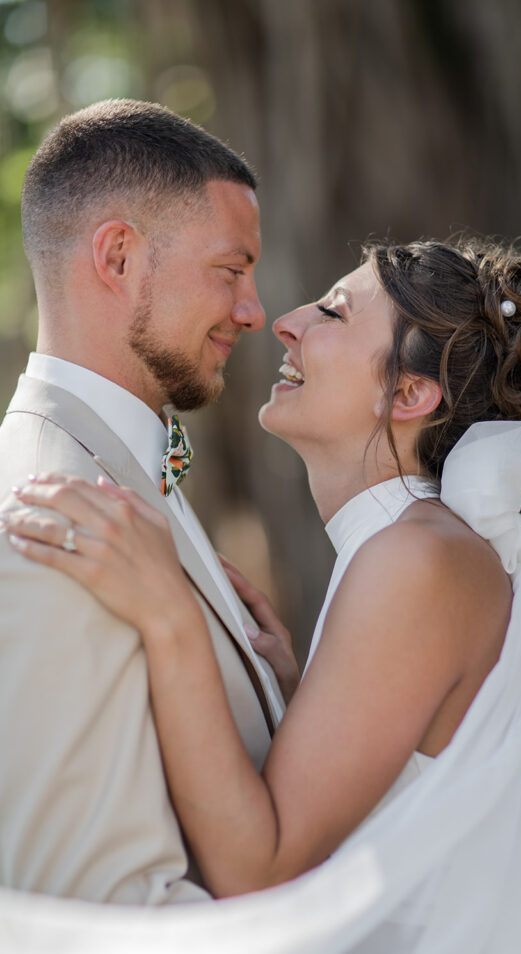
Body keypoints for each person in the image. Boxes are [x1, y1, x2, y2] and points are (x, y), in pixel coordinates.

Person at [4, 238, 521, 954]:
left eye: (333, 311)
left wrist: (170, 617)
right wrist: (303, 694)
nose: (286, 323)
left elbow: (256, 870)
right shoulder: (424, 549)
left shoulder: (418, 558)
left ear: (409, 395)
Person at [0, 98, 286, 905]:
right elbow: (97, 911)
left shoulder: (122, 464)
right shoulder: (50, 520)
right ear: (119, 258)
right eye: (231, 271)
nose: (253, 311)